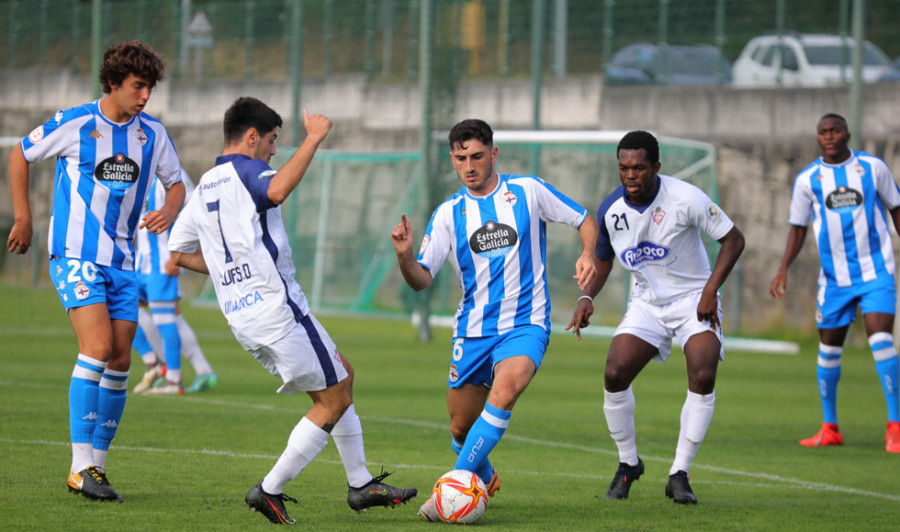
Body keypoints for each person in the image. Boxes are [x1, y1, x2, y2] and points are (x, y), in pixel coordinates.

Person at [167, 97, 416, 525]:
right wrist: (314, 137)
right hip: (278, 309)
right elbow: (277, 189)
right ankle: (269, 488)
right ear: (251, 137)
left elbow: (177, 253)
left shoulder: (205, 184)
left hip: (243, 317)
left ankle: (360, 483)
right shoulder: (247, 172)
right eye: (271, 141)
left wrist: (231, 271)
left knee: (342, 376)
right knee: (333, 399)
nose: (273, 150)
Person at [390, 118, 599, 520]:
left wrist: (587, 252)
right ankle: (484, 474)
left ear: (494, 153)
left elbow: (584, 219)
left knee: (504, 395)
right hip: (473, 331)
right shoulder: (449, 213)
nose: (469, 166)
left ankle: (452, 488)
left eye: (477, 156)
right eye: (460, 158)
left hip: (527, 323)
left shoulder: (528, 190)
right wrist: (404, 255)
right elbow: (421, 280)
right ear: (452, 159)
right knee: (460, 428)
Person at [6, 40, 187, 502]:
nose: (145, 96)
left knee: (122, 358)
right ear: (112, 83)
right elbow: (20, 155)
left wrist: (168, 207)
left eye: (150, 88)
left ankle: (98, 469)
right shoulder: (78, 122)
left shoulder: (153, 134)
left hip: (123, 260)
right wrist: (24, 217)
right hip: (74, 254)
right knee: (99, 346)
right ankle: (79, 465)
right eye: (137, 87)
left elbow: (177, 184)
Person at [567, 130, 745, 504]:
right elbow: (603, 260)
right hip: (647, 303)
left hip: (695, 299)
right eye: (623, 168)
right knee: (614, 374)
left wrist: (711, 291)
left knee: (702, 372)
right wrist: (587, 296)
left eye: (638, 168)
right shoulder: (610, 209)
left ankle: (680, 474)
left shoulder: (685, 198)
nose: (630, 175)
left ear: (656, 167)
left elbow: (734, 239)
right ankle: (628, 464)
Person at [770, 113, 900, 453]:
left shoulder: (873, 169)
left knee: (881, 340)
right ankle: (830, 428)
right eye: (823, 132)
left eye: (835, 131)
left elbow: (896, 208)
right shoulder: (807, 180)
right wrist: (783, 267)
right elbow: (797, 228)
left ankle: (895, 427)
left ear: (847, 134)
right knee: (828, 350)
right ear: (818, 137)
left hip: (876, 273)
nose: (829, 137)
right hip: (834, 281)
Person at [131, 175, 218, 395]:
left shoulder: (171, 175)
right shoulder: (138, 169)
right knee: (128, 312)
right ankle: (160, 364)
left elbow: (193, 213)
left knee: (166, 318)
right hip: (141, 262)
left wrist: (177, 255)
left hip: (162, 263)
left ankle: (173, 378)